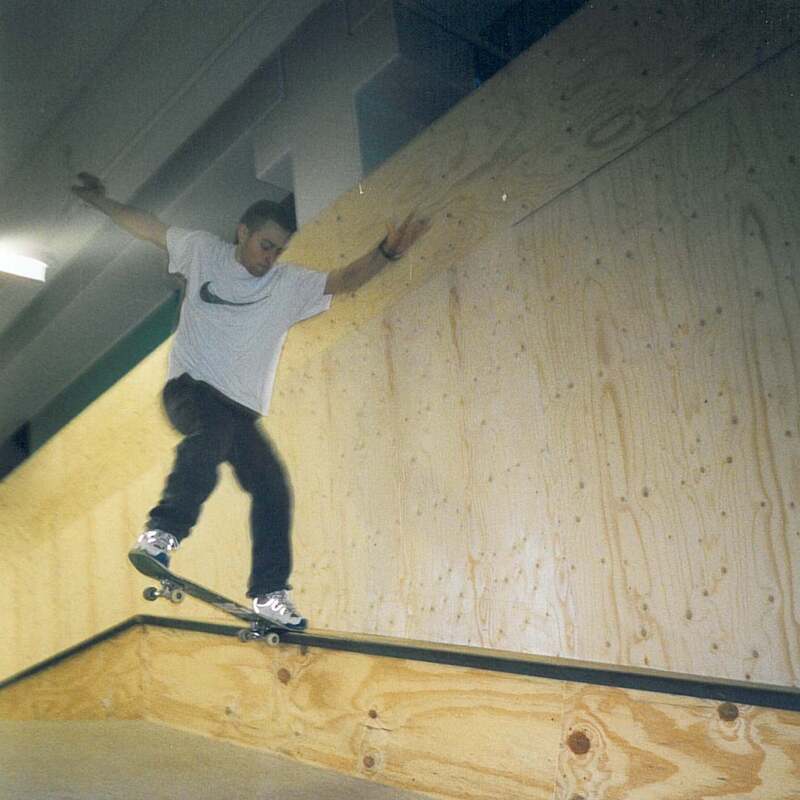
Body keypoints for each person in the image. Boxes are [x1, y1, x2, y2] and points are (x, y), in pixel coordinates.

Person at [71, 171, 429, 630]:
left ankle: (269, 592)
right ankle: (162, 533)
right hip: (190, 391)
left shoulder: (287, 284)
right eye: (265, 245)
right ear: (243, 232)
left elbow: (344, 280)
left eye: (279, 250)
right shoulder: (204, 252)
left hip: (240, 413)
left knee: (273, 486)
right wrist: (99, 200)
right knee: (211, 435)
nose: (270, 258)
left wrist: (387, 254)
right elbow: (146, 225)